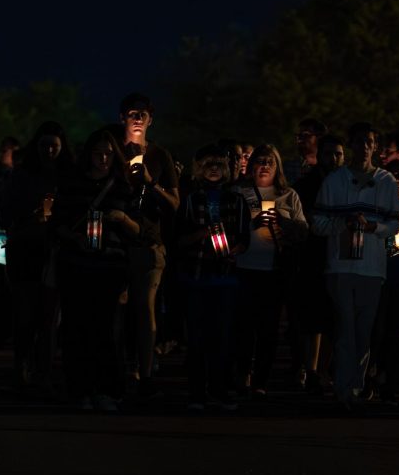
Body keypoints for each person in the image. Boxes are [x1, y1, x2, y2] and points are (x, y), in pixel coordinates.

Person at [50, 128, 146, 412]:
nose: (103, 158)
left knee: (105, 330)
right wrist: (74, 237)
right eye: (97, 153)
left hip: (110, 267)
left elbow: (139, 230)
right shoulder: (72, 185)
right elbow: (57, 223)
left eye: (107, 153)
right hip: (76, 265)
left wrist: (122, 218)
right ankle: (80, 389)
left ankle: (108, 390)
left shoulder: (122, 187)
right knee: (77, 328)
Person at [311, 123, 399, 412]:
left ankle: (357, 383)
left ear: (375, 147)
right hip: (340, 264)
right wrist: (342, 224)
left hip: (372, 268)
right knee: (345, 327)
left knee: (363, 329)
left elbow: (394, 224)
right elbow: (318, 222)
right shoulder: (335, 181)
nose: (364, 147)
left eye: (369, 142)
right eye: (359, 141)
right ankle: (344, 388)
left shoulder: (386, 182)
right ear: (352, 146)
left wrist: (372, 226)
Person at [1, 122, 76, 396]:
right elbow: (6, 211)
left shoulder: (68, 177)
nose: (49, 151)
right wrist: (27, 218)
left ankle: (43, 370)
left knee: (48, 316)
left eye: (54, 146)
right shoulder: (22, 177)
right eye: (45, 145)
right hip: (25, 250)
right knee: (24, 314)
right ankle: (20, 366)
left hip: (54, 252)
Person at [175, 144, 250, 410]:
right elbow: (179, 238)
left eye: (219, 164)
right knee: (197, 338)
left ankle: (220, 390)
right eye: (209, 165)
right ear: (199, 169)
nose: (214, 169)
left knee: (223, 338)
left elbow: (244, 238)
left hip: (226, 278)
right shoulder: (191, 201)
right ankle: (197, 392)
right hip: (196, 277)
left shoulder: (237, 200)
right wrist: (202, 235)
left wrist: (233, 251)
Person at [232, 144, 308, 397]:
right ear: (251, 165)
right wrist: (251, 224)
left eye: (270, 162)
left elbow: (303, 231)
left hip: (274, 270)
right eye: (260, 161)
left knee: (268, 328)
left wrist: (282, 222)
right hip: (243, 268)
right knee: (243, 327)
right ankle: (242, 373)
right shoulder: (239, 193)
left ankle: (261, 380)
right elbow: (226, 226)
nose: (264, 165)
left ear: (278, 167)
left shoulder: (288, 196)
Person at [119, 93, 179, 398]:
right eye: (132, 113)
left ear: (151, 119)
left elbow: (174, 204)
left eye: (143, 114)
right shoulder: (111, 152)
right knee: (117, 309)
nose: (138, 118)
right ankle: (118, 369)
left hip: (148, 243)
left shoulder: (160, 156)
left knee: (145, 308)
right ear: (123, 119)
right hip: (116, 244)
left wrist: (150, 182)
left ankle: (145, 372)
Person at [289, 133, 345, 393]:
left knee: (333, 318)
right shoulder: (307, 185)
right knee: (312, 317)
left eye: (338, 154)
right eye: (328, 154)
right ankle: (309, 368)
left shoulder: (348, 183)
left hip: (341, 254)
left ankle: (323, 369)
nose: (333, 159)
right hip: (313, 254)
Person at [371, 158, 399, 404]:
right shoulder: (377, 203)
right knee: (376, 328)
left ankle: (391, 380)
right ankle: (373, 373)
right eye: (394, 174)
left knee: (396, 330)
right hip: (379, 271)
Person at [282, 118, 326, 185]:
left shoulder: (328, 169)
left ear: (319, 138)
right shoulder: (287, 168)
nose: (299, 138)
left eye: (305, 135)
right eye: (298, 135)